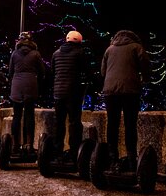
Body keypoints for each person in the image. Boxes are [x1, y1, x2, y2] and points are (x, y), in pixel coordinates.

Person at [100, 30, 150, 173]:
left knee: (112, 124)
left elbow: (103, 72)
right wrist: (145, 79)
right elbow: (145, 66)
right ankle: (131, 159)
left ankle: (112, 158)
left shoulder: (109, 49)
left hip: (110, 91)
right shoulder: (136, 47)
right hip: (130, 91)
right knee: (130, 124)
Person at [50, 30, 88, 166]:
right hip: (73, 93)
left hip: (58, 93)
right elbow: (86, 70)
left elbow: (53, 71)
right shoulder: (79, 53)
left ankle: (57, 153)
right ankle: (74, 153)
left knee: (58, 124)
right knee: (74, 123)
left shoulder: (56, 53)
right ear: (78, 41)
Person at [8, 31, 45, 157]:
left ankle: (14, 145)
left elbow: (10, 72)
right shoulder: (36, 54)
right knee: (29, 115)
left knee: (16, 116)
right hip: (31, 85)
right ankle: (29, 145)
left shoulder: (14, 54)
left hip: (17, 86)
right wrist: (37, 82)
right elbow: (42, 72)